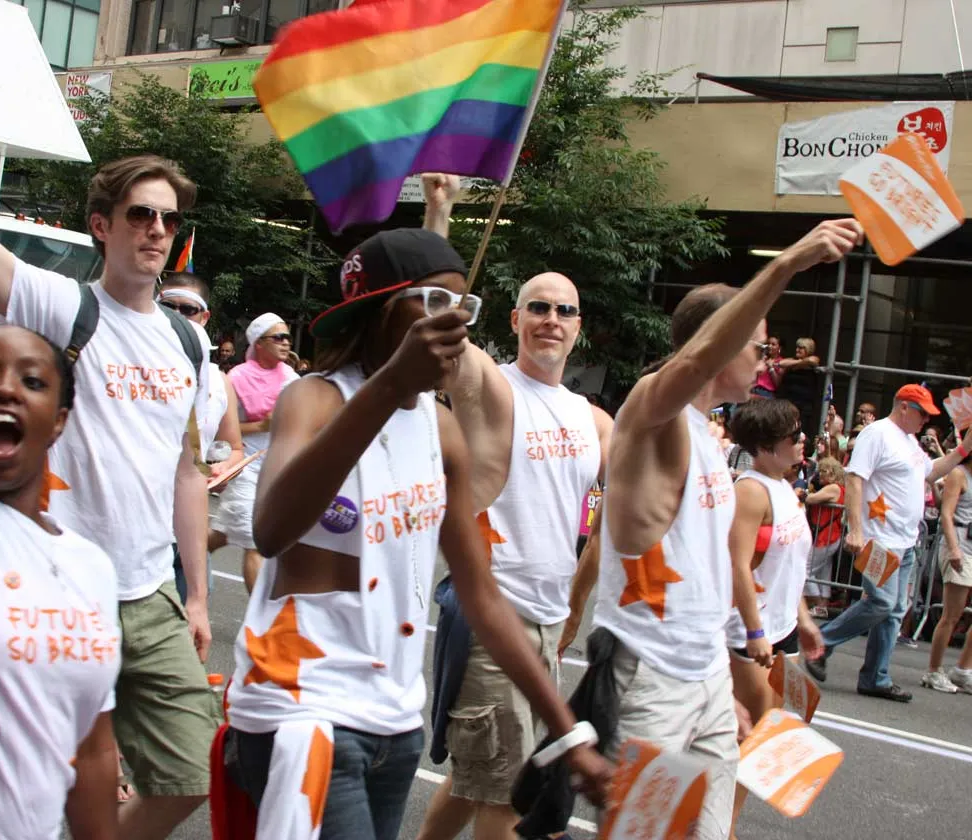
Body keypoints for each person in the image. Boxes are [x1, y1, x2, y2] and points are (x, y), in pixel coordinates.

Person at [215, 228, 610, 840]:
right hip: (303, 709)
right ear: (379, 312)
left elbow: (481, 596)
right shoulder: (313, 399)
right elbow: (270, 529)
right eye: (433, 302)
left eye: (463, 306)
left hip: (395, 723)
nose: (454, 321)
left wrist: (568, 732)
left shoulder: (441, 429)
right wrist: (390, 386)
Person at [561, 219, 863, 839]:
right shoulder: (653, 409)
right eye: (760, 346)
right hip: (649, 681)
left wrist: (719, 687)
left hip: (703, 679)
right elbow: (694, 359)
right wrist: (788, 263)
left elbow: (700, 571)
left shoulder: (709, 437)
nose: (767, 360)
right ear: (720, 342)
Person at [0, 154, 216, 837]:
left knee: (193, 771)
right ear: (102, 226)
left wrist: (197, 596)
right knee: (42, 772)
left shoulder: (189, 343)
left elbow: (188, 471)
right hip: (52, 589)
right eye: (141, 214)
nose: (157, 229)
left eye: (170, 219)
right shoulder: (64, 307)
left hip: (148, 594)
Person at [417, 174, 613, 840]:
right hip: (489, 618)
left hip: (547, 627)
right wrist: (440, 212)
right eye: (539, 307)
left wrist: (577, 610)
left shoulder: (594, 420)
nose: (551, 319)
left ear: (578, 328)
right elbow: (438, 320)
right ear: (515, 320)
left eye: (564, 311)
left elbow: (621, 519)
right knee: (507, 797)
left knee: (476, 781)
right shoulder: (491, 388)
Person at [0, 325, 121, 840]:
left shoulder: (90, 567)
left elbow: (92, 747)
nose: (5, 389)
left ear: (58, 421)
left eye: (32, 381)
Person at [805, 385, 972, 702]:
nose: (925, 421)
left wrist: (963, 450)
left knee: (894, 611)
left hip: (905, 541)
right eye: (923, 413)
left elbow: (931, 472)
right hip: (878, 539)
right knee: (882, 603)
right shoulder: (877, 434)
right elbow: (855, 479)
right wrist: (855, 530)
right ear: (904, 407)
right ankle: (821, 644)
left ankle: (875, 677)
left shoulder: (909, 441)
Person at [724, 399, 824, 838]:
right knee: (749, 737)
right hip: (750, 634)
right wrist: (754, 630)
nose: (803, 441)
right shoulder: (750, 491)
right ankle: (719, 828)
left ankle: (719, 824)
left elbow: (789, 568)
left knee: (762, 739)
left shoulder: (785, 487)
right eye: (793, 436)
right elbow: (737, 564)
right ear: (765, 447)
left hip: (781, 630)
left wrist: (804, 620)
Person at [157, 272, 244, 601]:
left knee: (190, 620)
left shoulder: (219, 381)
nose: (178, 317)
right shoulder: (130, 366)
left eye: (188, 310)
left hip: (187, 531)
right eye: (168, 307)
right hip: (134, 528)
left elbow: (234, 447)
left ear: (204, 317)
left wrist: (223, 468)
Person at [214, 313, 299, 593]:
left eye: (287, 337)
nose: (286, 343)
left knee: (222, 534)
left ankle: (181, 555)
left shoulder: (291, 378)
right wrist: (261, 425)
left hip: (275, 469)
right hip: (243, 467)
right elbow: (221, 430)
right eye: (279, 337)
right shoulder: (235, 379)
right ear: (259, 344)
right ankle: (259, 616)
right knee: (254, 542)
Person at [921, 446, 972, 693]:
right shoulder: (959, 474)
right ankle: (933, 670)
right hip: (960, 544)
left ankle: (962, 670)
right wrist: (953, 549)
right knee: (952, 615)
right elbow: (946, 515)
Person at [804, 457, 847, 619]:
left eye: (823, 471)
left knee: (805, 569)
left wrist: (804, 493)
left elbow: (810, 499)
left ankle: (818, 602)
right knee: (824, 572)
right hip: (829, 535)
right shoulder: (837, 488)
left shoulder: (834, 488)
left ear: (832, 473)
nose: (820, 474)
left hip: (826, 536)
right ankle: (822, 604)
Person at [776, 337, 821, 436]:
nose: (797, 350)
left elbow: (813, 360)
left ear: (808, 349)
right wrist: (800, 362)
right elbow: (781, 363)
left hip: (804, 405)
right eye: (797, 347)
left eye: (801, 348)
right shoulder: (793, 361)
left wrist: (797, 364)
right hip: (789, 402)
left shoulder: (812, 360)